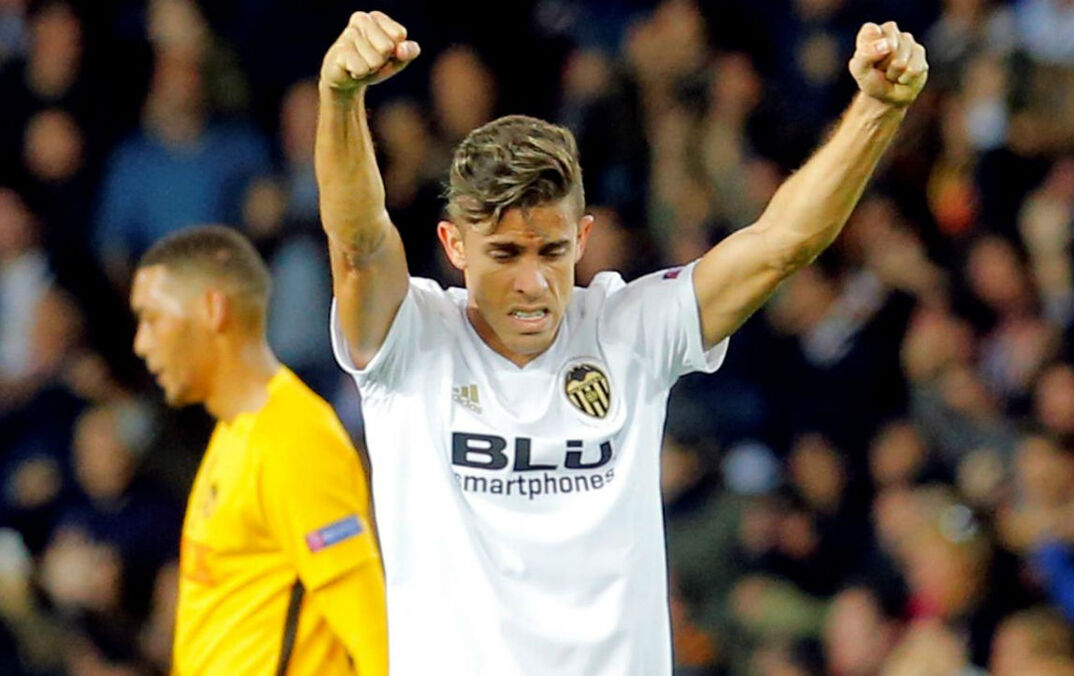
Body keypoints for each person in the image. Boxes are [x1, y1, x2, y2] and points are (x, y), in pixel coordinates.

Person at [316, 9, 927, 674]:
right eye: (504, 254)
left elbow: (781, 242)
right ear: (453, 245)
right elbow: (358, 242)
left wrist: (876, 109)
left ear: (582, 238)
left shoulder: (628, 330)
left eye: (552, 251)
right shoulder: (410, 342)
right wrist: (340, 97)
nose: (532, 282)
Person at [129, 225, 386, 675]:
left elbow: (372, 631)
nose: (141, 343)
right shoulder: (235, 431)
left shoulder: (295, 440)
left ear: (212, 310)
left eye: (152, 319)